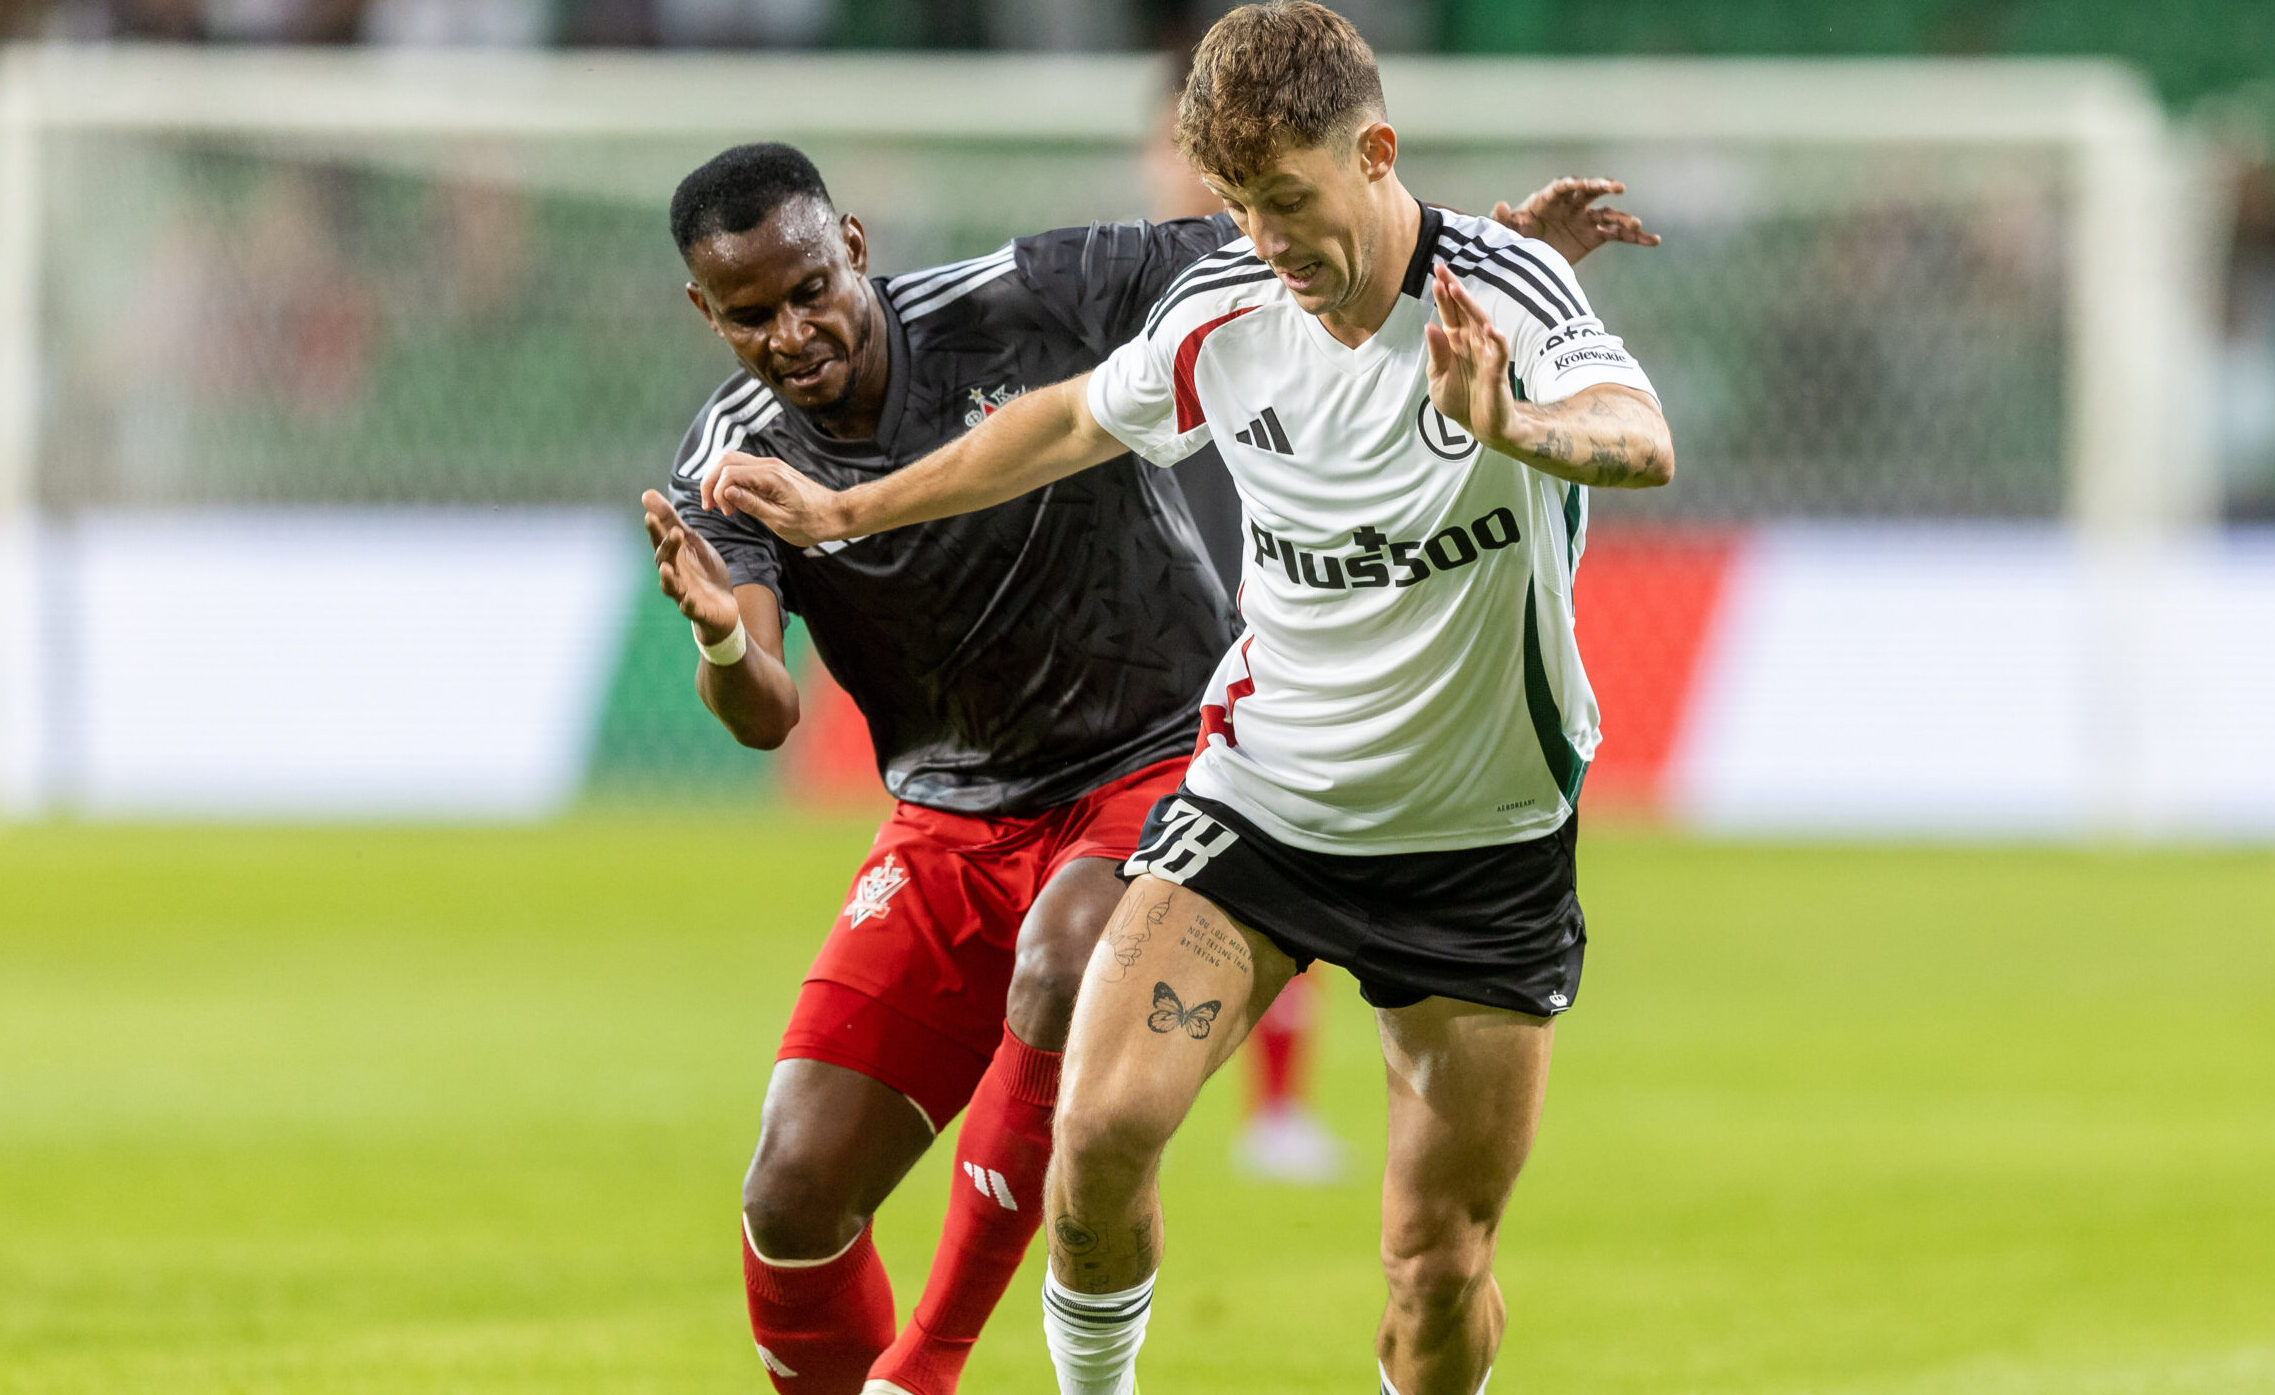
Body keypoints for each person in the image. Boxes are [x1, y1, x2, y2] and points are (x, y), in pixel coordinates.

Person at [690, 4, 1676, 1389]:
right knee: (1096, 1138)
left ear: (1377, 152)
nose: (1262, 241)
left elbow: (1643, 439)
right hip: (1257, 811)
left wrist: (1518, 426)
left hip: (1480, 847)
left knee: (1435, 1272)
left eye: (1286, 201)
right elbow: (1066, 420)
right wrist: (851, 516)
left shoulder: (1504, 292)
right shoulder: (1234, 308)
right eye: (1238, 208)